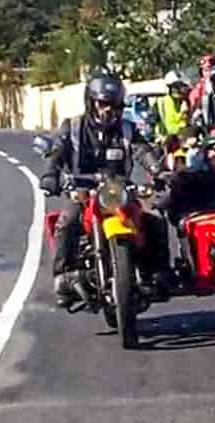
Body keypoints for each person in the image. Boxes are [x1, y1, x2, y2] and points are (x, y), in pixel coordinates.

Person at [39, 73, 169, 305]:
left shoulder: (127, 129)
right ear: (91, 103)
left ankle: (158, 274)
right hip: (82, 192)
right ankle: (64, 277)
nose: (108, 110)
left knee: (155, 219)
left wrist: (157, 170)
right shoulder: (73, 127)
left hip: (119, 192)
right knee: (67, 223)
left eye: (114, 105)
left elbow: (142, 150)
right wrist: (51, 175)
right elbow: (56, 152)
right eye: (102, 104)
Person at [153, 72, 193, 148]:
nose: (180, 89)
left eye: (181, 86)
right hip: (167, 139)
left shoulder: (180, 100)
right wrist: (183, 113)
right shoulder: (166, 100)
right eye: (177, 86)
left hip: (182, 136)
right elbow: (171, 128)